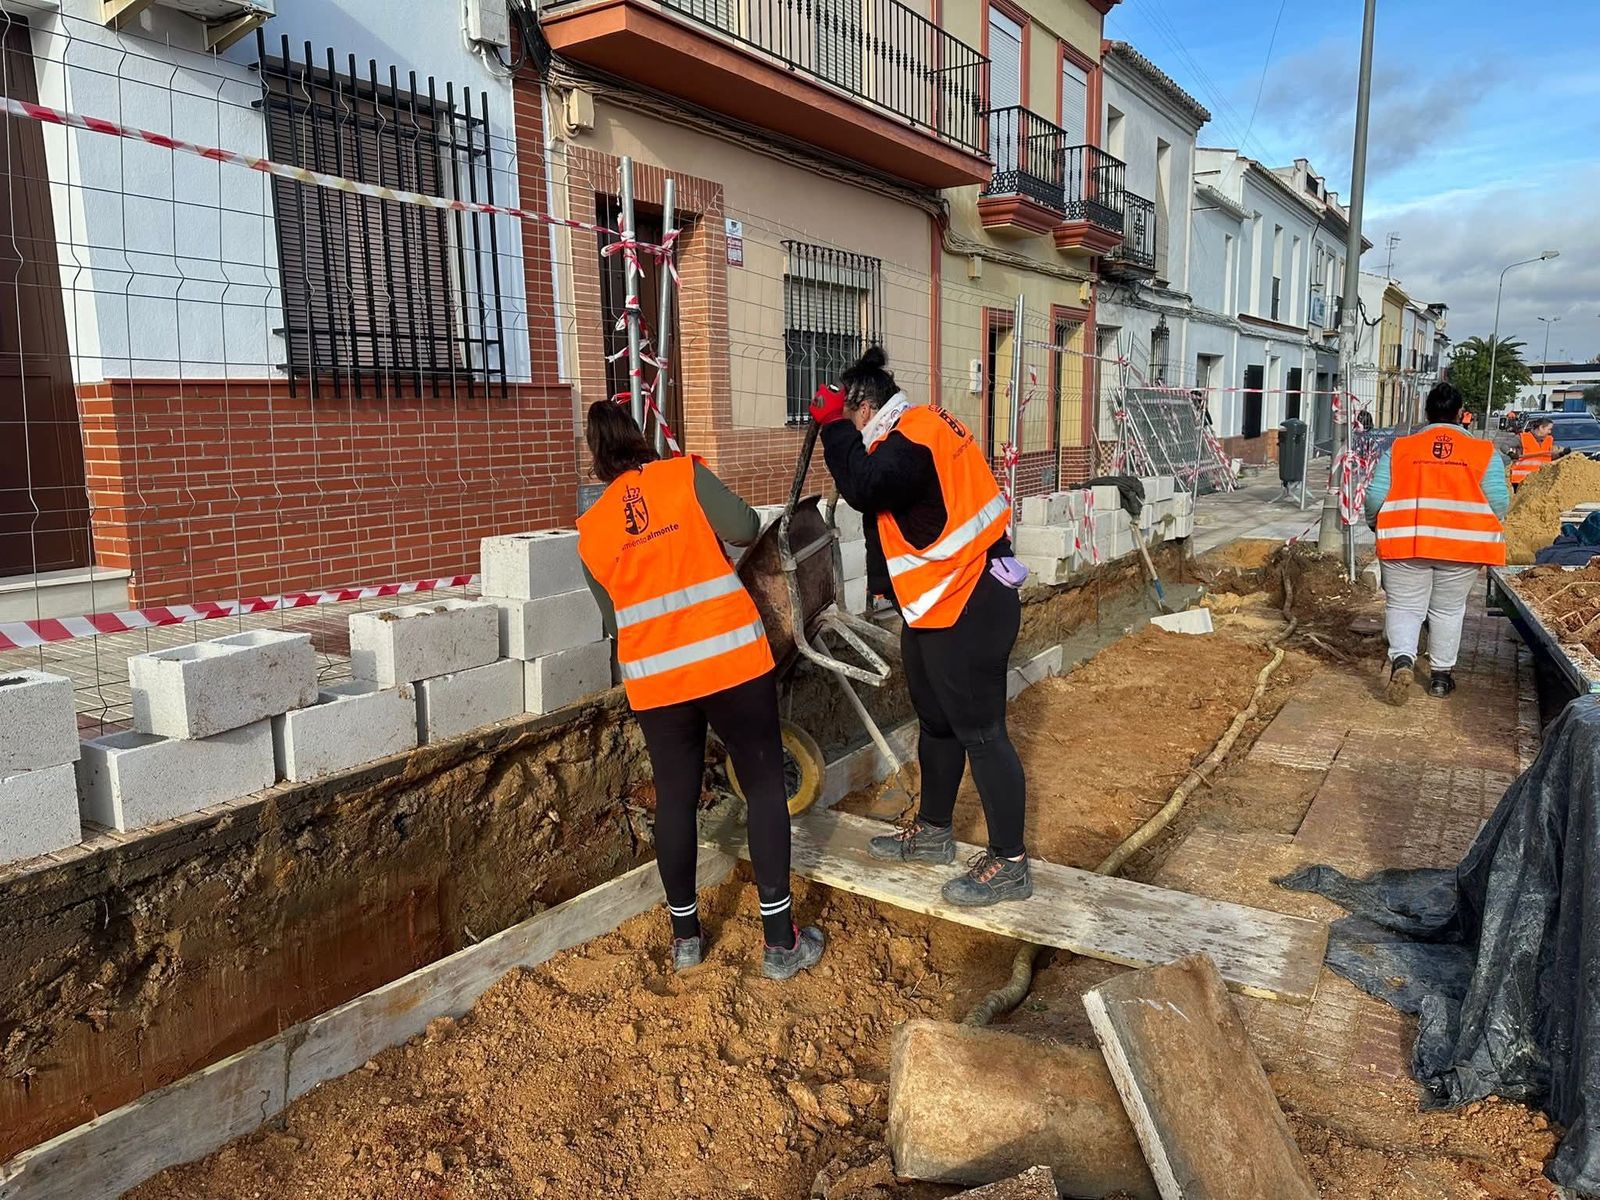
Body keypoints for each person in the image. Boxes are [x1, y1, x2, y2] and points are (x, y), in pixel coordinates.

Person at [575, 402, 825, 979]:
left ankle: (686, 938)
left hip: (658, 683)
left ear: (595, 459)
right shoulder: (681, 475)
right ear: (640, 439)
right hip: (729, 661)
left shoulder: (592, 531)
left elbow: (613, 621)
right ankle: (779, 944)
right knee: (763, 786)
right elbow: (743, 528)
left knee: (676, 799)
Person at [809, 347, 1032, 907]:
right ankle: (934, 832)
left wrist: (832, 428)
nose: (853, 428)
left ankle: (1010, 863)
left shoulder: (914, 435)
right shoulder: (912, 431)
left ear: (863, 405)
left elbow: (863, 487)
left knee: (982, 733)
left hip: (971, 601)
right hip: (934, 604)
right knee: (936, 724)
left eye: (851, 413)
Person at [1364, 381, 1510, 704]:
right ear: (1461, 414)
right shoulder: (1483, 452)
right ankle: (1441, 678)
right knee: (1448, 609)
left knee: (1404, 606)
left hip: (1405, 544)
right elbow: (1498, 502)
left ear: (1426, 413)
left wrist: (1374, 521)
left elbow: (1375, 496)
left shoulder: (1401, 449)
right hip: (1462, 548)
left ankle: (1403, 660)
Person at [1509, 416, 1563, 489]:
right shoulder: (1522, 437)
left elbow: (1548, 457)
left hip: (1540, 479)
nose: (1550, 432)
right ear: (1541, 427)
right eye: (1549, 429)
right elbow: (1504, 446)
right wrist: (1511, 454)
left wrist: (1560, 454)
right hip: (1521, 480)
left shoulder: (1549, 440)